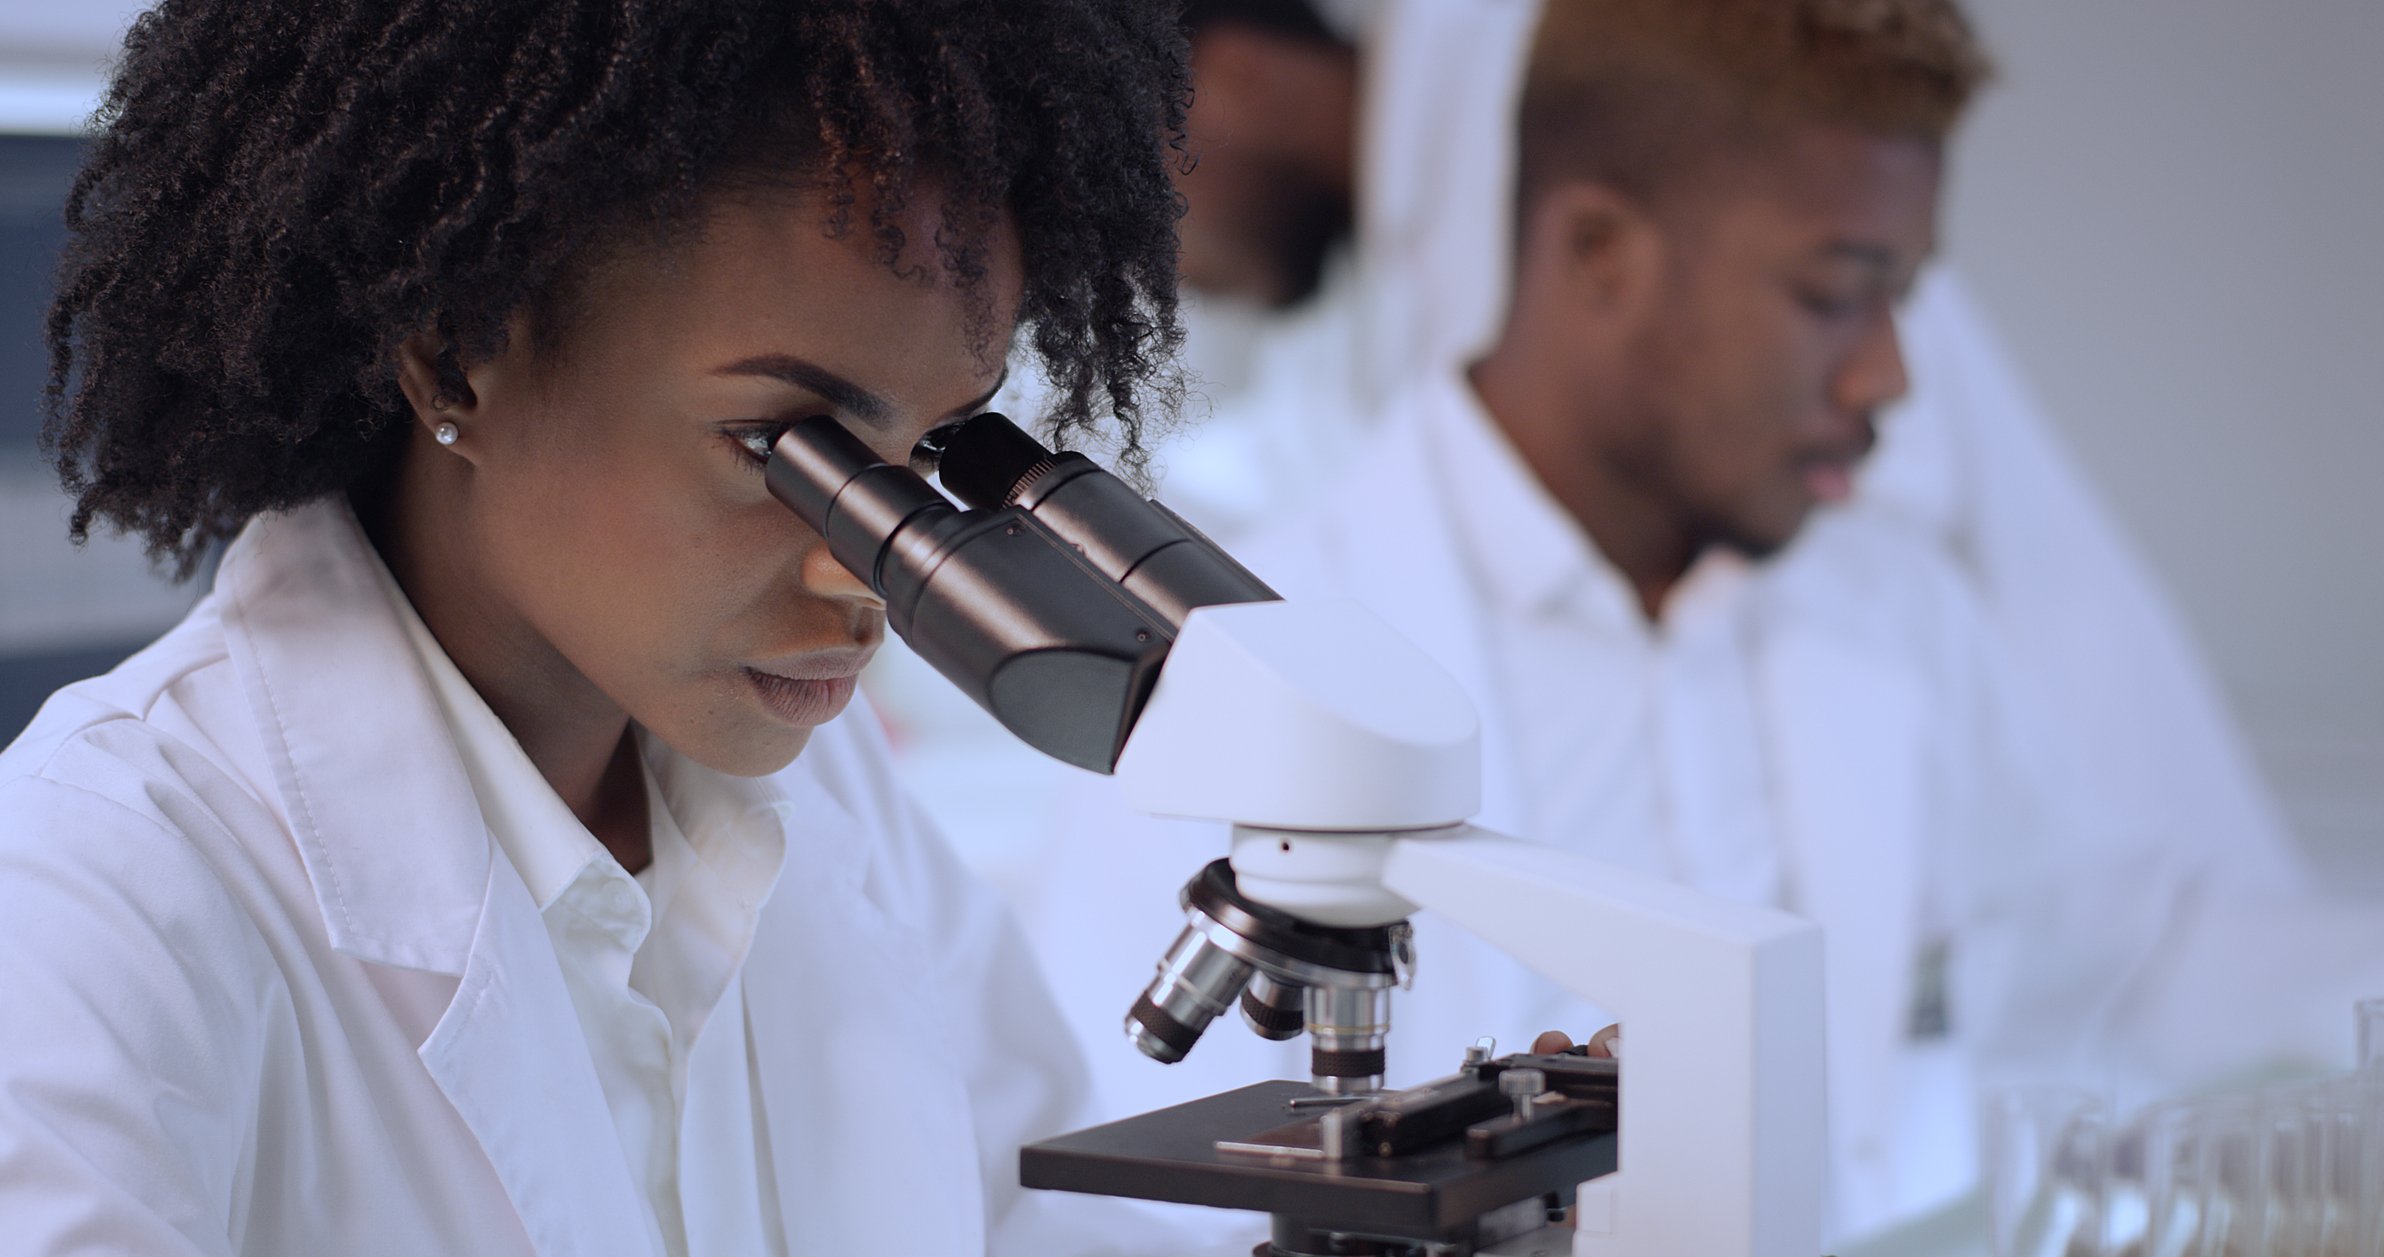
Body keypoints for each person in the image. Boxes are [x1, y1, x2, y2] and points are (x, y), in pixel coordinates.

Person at [1023, 0, 2382, 1242]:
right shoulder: (1249, 672)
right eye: (1833, 291)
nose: (1889, 376)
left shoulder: (1889, 612)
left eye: (1901, 296)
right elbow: (1128, 1207)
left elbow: (2125, 956)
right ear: (1601, 252)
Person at [0, 2, 1194, 1253]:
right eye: (779, 450)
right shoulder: (100, 891)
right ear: (457, 361)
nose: (869, 574)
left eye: (932, 453)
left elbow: (1054, 1225)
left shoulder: (832, 799)